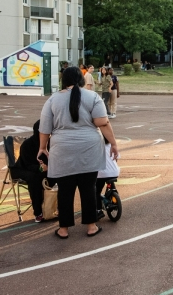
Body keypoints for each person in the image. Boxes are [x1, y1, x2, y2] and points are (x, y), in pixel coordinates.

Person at [38, 66, 119, 239]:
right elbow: (102, 122)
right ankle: (91, 226)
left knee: (65, 191)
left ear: (63, 80)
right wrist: (113, 144)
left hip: (62, 149)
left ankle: (64, 229)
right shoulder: (93, 97)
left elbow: (44, 128)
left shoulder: (53, 100)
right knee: (88, 189)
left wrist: (42, 148)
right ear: (81, 80)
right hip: (89, 148)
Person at [11, 120, 49, 223]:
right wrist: (41, 168)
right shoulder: (27, 144)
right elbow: (27, 164)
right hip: (24, 169)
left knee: (60, 176)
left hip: (45, 169)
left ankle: (55, 207)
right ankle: (38, 212)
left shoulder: (50, 143)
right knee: (35, 179)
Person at [96, 136, 120, 220]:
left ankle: (98, 210)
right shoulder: (111, 145)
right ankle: (114, 197)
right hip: (115, 171)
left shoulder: (95, 146)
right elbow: (116, 158)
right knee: (110, 180)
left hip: (101, 173)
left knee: (96, 191)